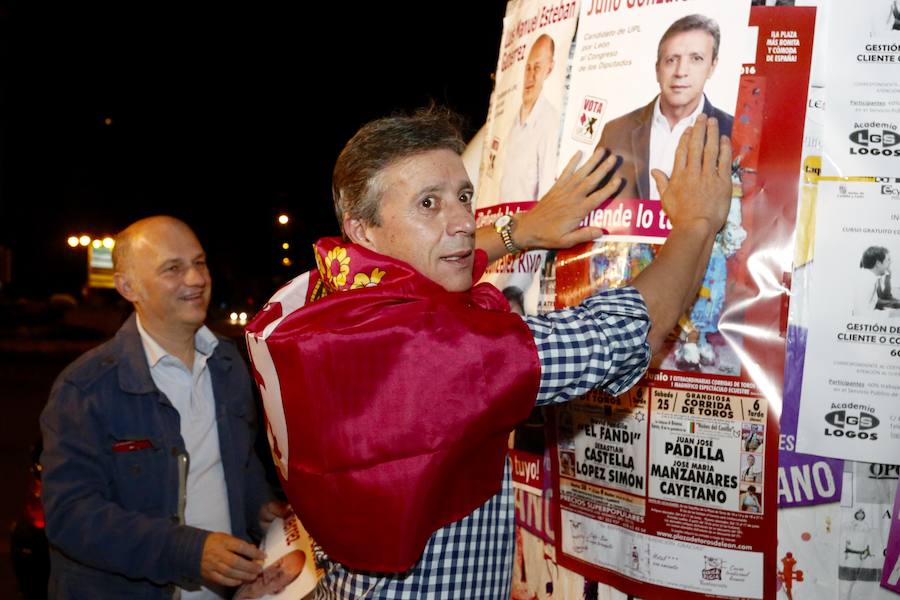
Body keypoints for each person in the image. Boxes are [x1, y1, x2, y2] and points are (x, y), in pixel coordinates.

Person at [247, 107, 732, 598]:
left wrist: (516, 233)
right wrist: (696, 223)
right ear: (363, 231)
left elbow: (420, 269)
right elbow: (625, 335)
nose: (461, 220)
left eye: (463, 196)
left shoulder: (319, 298)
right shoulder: (440, 352)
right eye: (428, 204)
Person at [40, 216, 289, 600]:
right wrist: (187, 551)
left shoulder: (228, 363)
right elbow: (70, 516)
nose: (196, 279)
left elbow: (239, 459)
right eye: (173, 268)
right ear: (128, 287)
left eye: (200, 262)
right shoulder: (85, 387)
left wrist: (258, 506)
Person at [597, 14, 734, 201]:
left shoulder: (734, 133)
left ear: (712, 66)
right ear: (657, 69)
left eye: (696, 59)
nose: (681, 72)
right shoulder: (614, 132)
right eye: (671, 60)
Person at [499, 34, 561, 204]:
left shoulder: (549, 122)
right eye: (528, 68)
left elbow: (546, 195)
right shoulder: (512, 122)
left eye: (537, 68)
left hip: (527, 226)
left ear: (549, 70)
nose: (531, 76)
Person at [852, 246, 900, 317]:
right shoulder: (867, 282)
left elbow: (872, 302)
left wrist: (895, 304)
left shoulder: (870, 277)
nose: (890, 262)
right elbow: (861, 314)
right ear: (878, 263)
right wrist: (892, 314)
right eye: (888, 260)